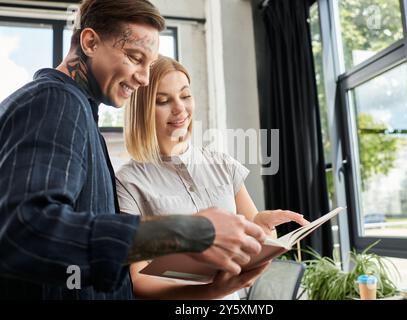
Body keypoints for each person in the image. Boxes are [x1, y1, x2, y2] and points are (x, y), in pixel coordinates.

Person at [0, 0, 266, 300]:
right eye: (134, 57)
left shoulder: (77, 114)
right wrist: (188, 232)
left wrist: (211, 289)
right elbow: (24, 232)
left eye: (149, 65)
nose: (144, 78)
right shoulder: (56, 102)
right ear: (90, 42)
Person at [116, 56, 309, 299]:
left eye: (185, 96)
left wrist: (261, 228)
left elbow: (256, 239)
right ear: (141, 111)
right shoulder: (128, 181)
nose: (179, 109)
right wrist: (210, 290)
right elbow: (138, 279)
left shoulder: (222, 164)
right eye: (163, 100)